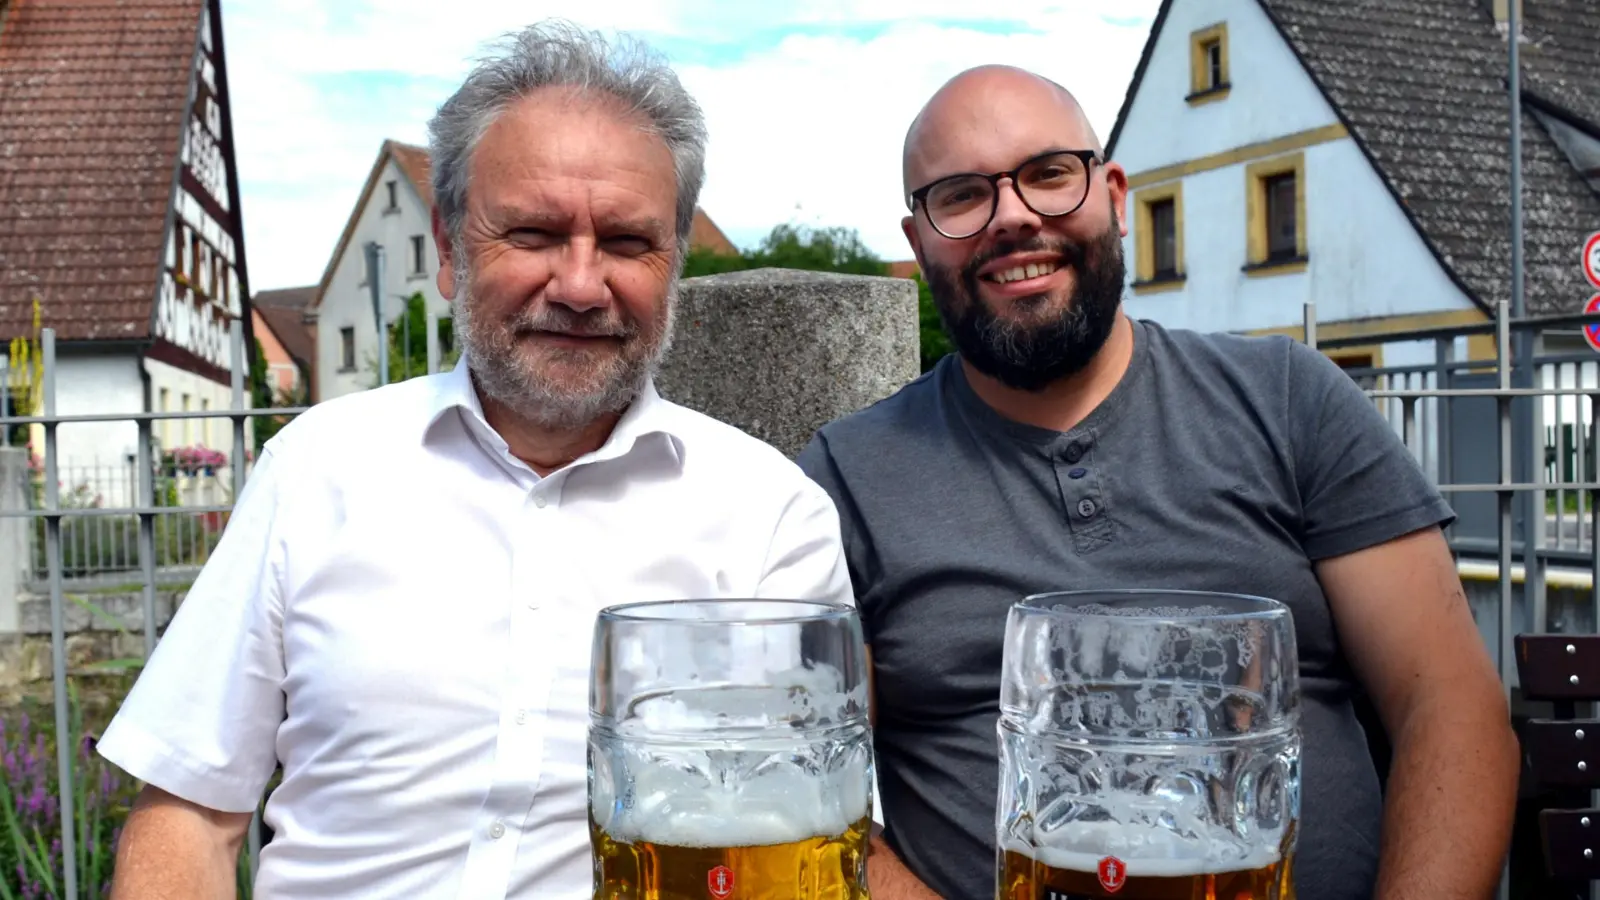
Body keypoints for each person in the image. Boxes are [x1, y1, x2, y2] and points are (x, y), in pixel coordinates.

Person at [98, 21, 853, 899]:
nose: (579, 286)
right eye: (532, 234)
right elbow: (189, 812)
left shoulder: (767, 515)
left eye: (625, 242)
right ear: (451, 251)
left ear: (674, 264)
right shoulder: (316, 469)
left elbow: (800, 839)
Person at [797, 64, 1520, 900]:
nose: (1014, 216)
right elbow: (819, 797)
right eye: (960, 196)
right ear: (919, 239)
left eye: (1048, 175)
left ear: (1113, 195)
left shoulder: (1289, 400)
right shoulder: (848, 475)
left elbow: (1452, 709)